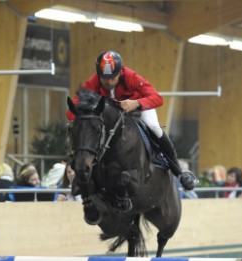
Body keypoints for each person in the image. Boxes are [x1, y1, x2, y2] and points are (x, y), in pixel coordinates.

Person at [66, 50, 194, 191]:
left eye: (112, 78)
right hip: (113, 115)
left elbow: (157, 98)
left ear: (120, 72)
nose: (108, 82)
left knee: (153, 126)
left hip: (138, 108)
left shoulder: (131, 76)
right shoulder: (95, 80)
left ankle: (179, 171)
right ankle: (83, 174)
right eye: (104, 78)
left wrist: (136, 103)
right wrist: (80, 114)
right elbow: (74, 107)